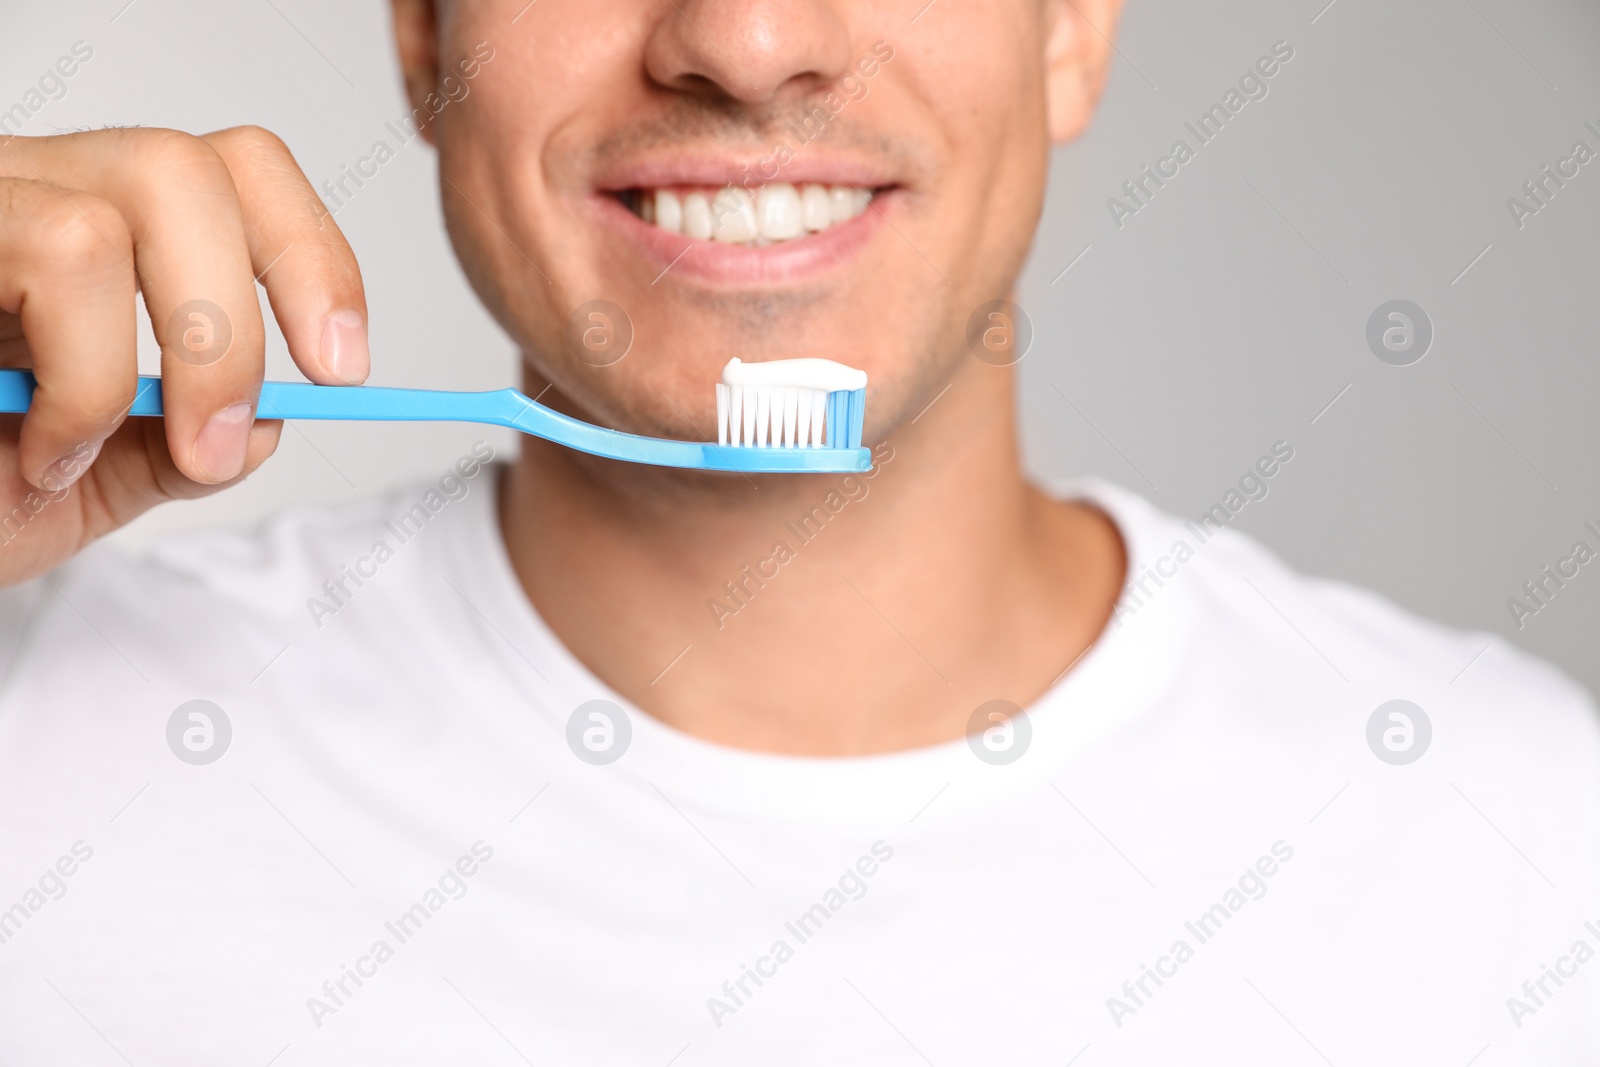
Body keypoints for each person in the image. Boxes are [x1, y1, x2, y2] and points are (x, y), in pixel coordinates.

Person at [1, 1, 1595, 1062]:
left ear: (1072, 26)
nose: (747, 43)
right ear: (425, 37)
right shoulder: (35, 752)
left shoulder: (1529, 855)